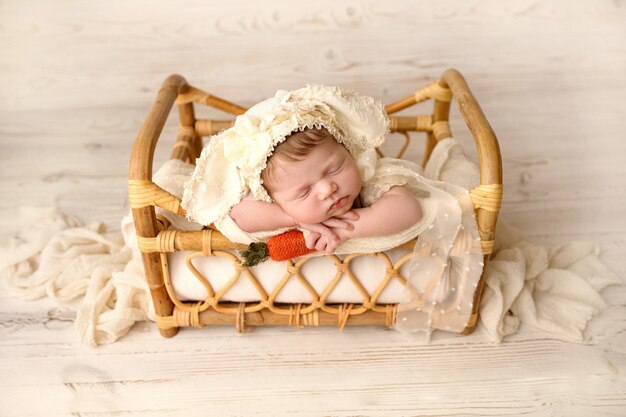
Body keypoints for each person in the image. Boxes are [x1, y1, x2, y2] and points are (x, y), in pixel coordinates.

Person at [228, 127, 423, 253]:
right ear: (274, 199)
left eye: (334, 169)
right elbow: (239, 215)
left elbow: (409, 209)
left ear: (348, 152)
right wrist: (295, 219)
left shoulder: (367, 183)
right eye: (304, 192)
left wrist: (347, 229)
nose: (328, 189)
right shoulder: (276, 205)